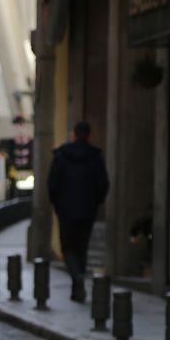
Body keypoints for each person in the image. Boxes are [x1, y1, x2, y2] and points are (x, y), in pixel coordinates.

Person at [47, 121, 110, 302]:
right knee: (82, 248)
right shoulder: (95, 157)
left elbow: (52, 184)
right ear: (88, 136)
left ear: (74, 134)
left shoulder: (61, 156)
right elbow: (103, 184)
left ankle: (77, 278)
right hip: (87, 210)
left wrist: (57, 204)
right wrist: (96, 202)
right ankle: (78, 286)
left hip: (66, 210)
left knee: (68, 248)